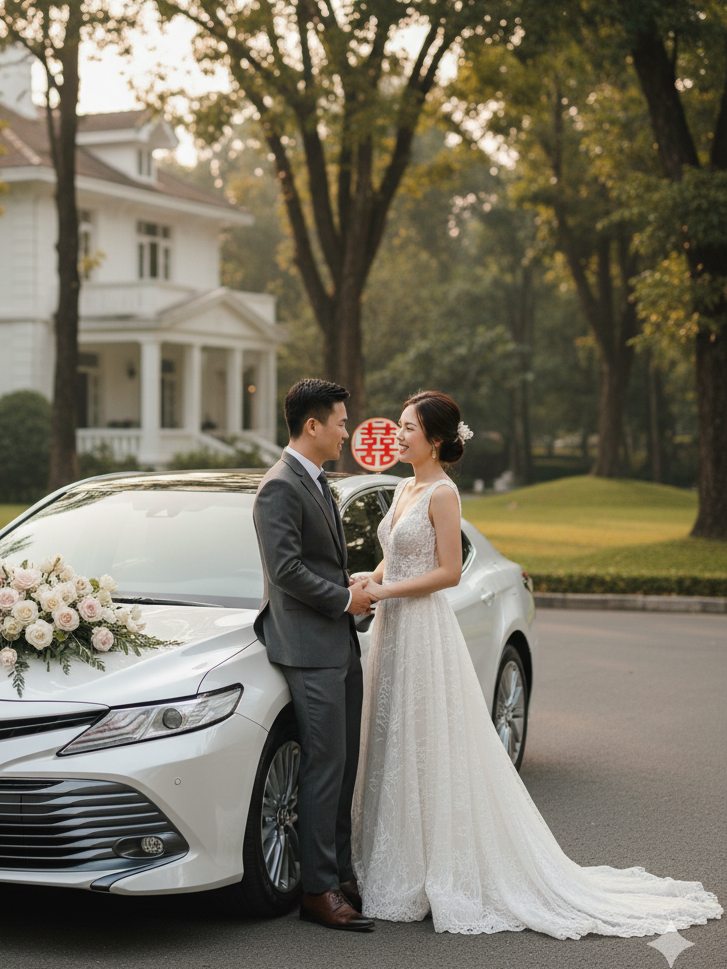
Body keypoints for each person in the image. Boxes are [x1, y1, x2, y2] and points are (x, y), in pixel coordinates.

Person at [350, 389, 723, 937]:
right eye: (400, 426)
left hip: (423, 627)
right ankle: (391, 863)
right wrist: (371, 579)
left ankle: (436, 869)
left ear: (433, 438)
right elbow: (395, 553)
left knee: (423, 740)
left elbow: (450, 572)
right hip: (393, 629)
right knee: (391, 739)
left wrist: (387, 594)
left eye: (408, 427)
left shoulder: (444, 494)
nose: (398, 434)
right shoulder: (405, 486)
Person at [252, 378, 376, 931]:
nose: (347, 430)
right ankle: (318, 890)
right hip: (306, 648)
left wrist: (348, 587)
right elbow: (285, 571)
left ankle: (342, 873)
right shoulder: (278, 487)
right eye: (342, 422)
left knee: (342, 764)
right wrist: (345, 598)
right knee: (324, 767)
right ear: (313, 426)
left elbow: (316, 562)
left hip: (338, 642)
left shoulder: (319, 482)